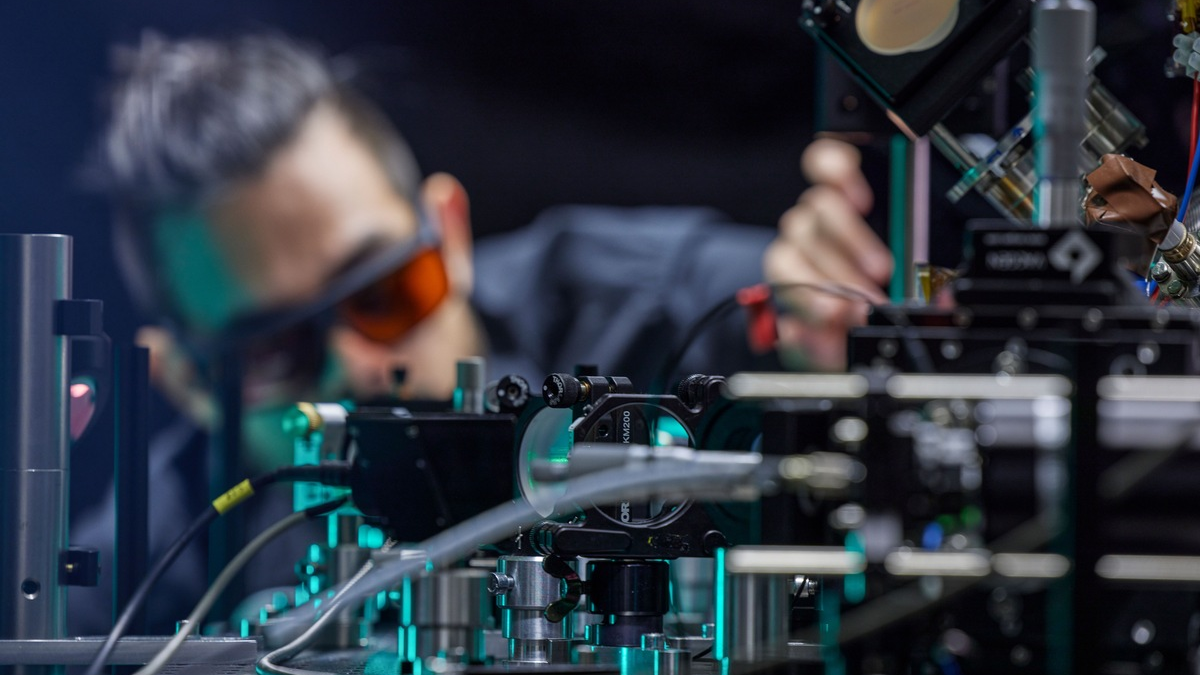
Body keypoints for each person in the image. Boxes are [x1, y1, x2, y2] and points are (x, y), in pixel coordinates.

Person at [71, 33, 891, 634]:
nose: (361, 364)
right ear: (187, 380)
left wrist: (841, 338)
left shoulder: (663, 304)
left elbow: (846, 331)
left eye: (386, 291)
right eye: (274, 348)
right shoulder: (133, 574)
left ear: (450, 234)